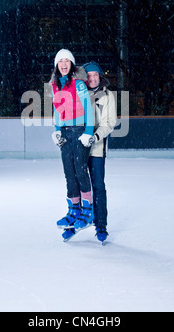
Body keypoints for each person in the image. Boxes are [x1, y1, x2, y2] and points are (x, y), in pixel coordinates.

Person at [63, 61, 117, 244]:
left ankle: (100, 224)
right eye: (89, 75)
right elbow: (66, 116)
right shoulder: (77, 93)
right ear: (84, 79)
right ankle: (73, 222)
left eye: (96, 75)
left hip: (96, 148)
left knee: (98, 185)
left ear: (100, 77)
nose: (93, 78)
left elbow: (109, 123)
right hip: (78, 146)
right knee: (76, 182)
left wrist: (94, 136)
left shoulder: (108, 96)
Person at [51, 49, 95, 234]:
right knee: (69, 172)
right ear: (56, 65)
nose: (63, 64)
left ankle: (88, 211)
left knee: (80, 170)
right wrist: (56, 130)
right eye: (60, 61)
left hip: (79, 131)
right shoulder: (55, 85)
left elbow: (88, 108)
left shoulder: (78, 84)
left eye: (67, 61)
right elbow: (56, 110)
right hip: (65, 133)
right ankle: (74, 209)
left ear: (71, 64)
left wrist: (88, 131)